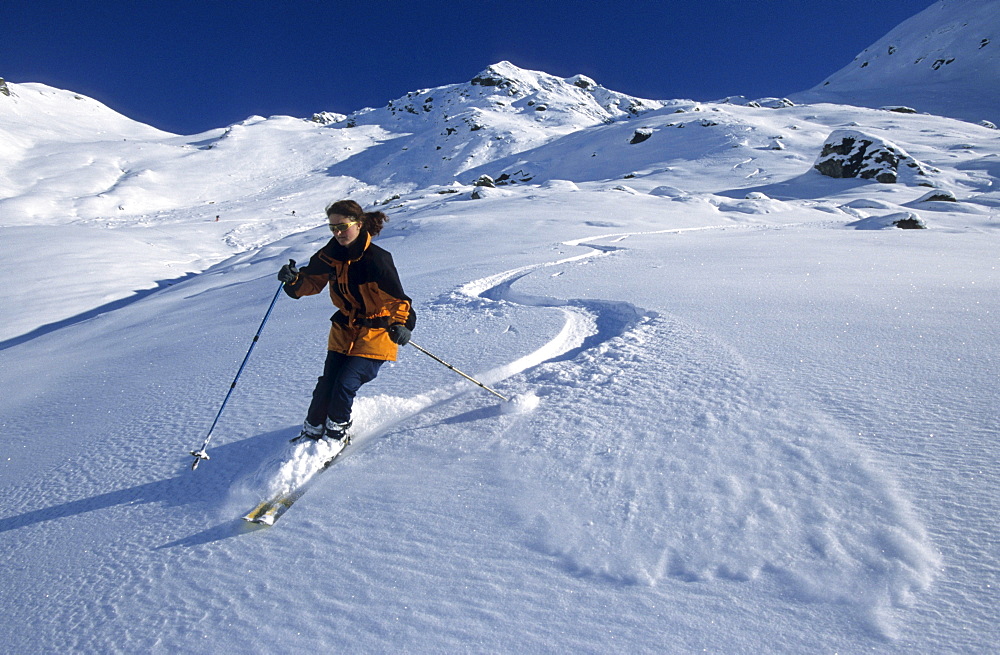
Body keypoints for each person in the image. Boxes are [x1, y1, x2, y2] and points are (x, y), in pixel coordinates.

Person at [277, 199, 415, 443]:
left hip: (376, 332)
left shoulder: (376, 259)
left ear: (359, 224)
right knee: (326, 385)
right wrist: (293, 280)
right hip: (343, 330)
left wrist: (402, 325)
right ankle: (312, 431)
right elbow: (310, 284)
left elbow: (397, 300)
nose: (338, 233)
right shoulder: (329, 255)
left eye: (342, 226)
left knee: (344, 384)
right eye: (332, 228)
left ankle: (336, 432)